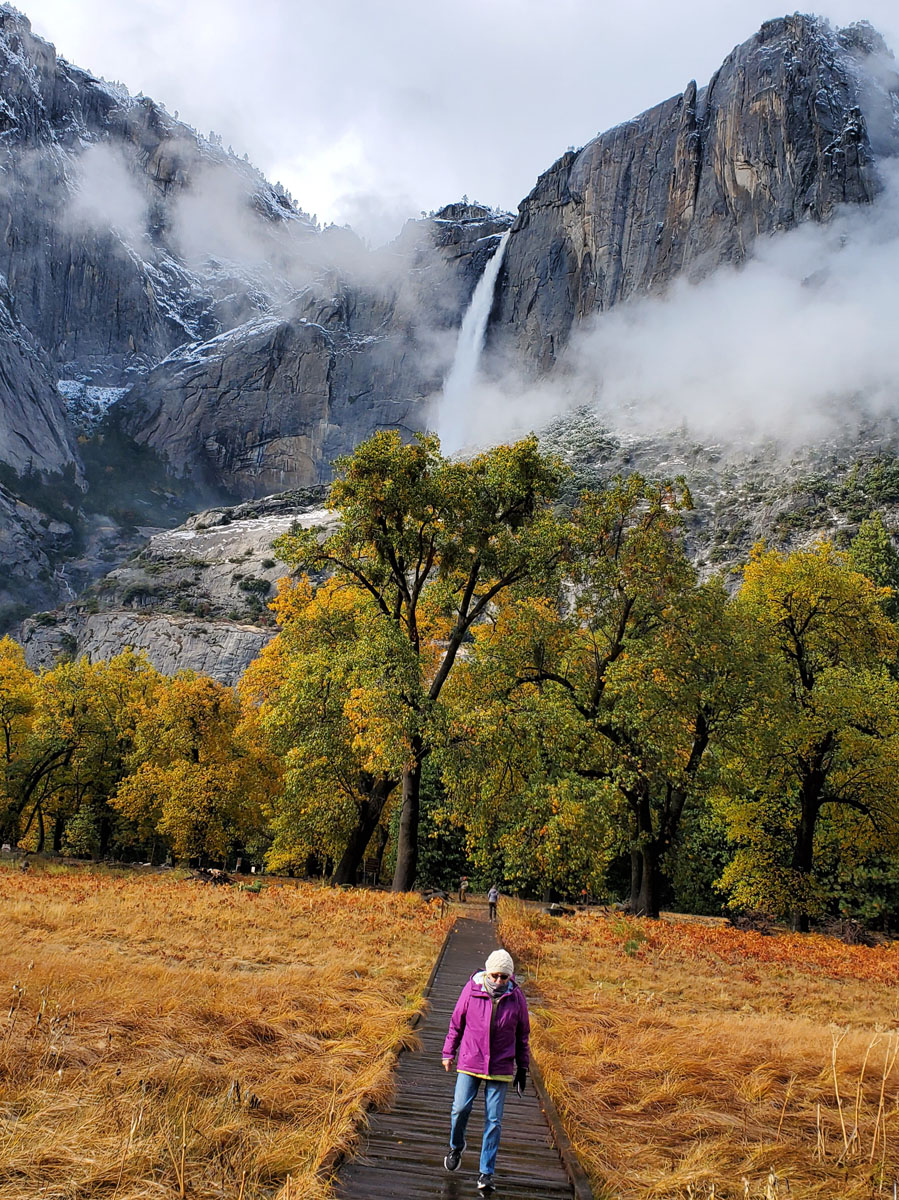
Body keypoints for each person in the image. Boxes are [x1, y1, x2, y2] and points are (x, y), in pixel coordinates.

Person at [441, 948, 530, 1192]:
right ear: (487, 973)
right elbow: (456, 1022)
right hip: (470, 1060)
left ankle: (486, 1172)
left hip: (500, 1065)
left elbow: (523, 1035)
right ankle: (456, 1146)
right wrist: (449, 1052)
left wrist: (523, 1067)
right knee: (460, 1108)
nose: (499, 981)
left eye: (504, 977)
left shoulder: (516, 997)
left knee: (493, 1120)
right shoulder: (471, 990)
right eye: (495, 976)